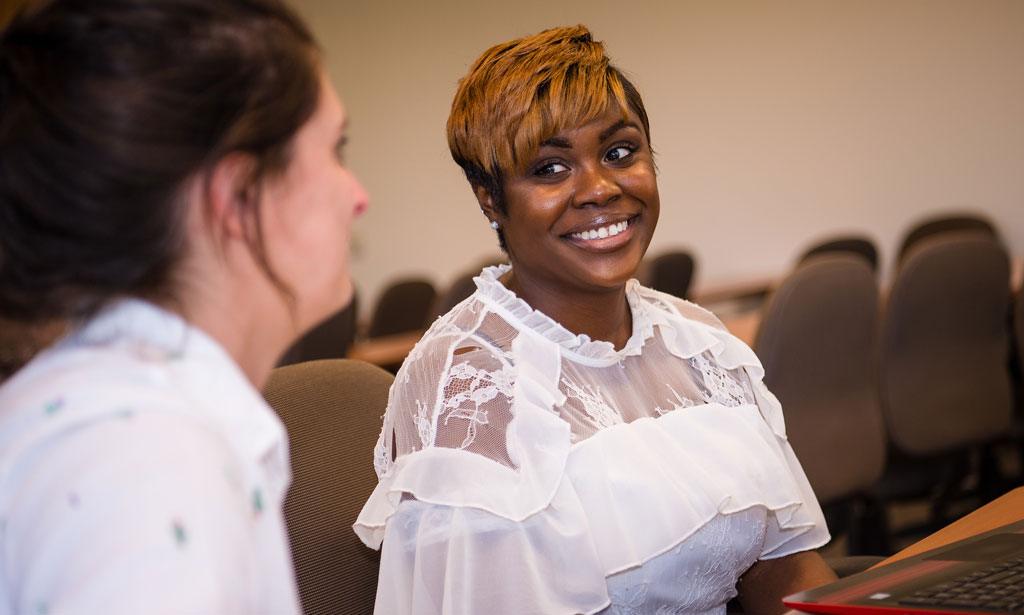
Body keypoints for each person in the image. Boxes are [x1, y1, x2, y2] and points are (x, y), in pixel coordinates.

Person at [354, 25, 836, 614]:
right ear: (489, 198)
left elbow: (780, 566)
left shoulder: (698, 342)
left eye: (618, 153)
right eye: (550, 169)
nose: (600, 189)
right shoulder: (475, 386)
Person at [0, 0, 368, 612]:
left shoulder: (106, 414)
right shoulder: (153, 470)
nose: (358, 196)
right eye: (336, 149)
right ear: (237, 196)